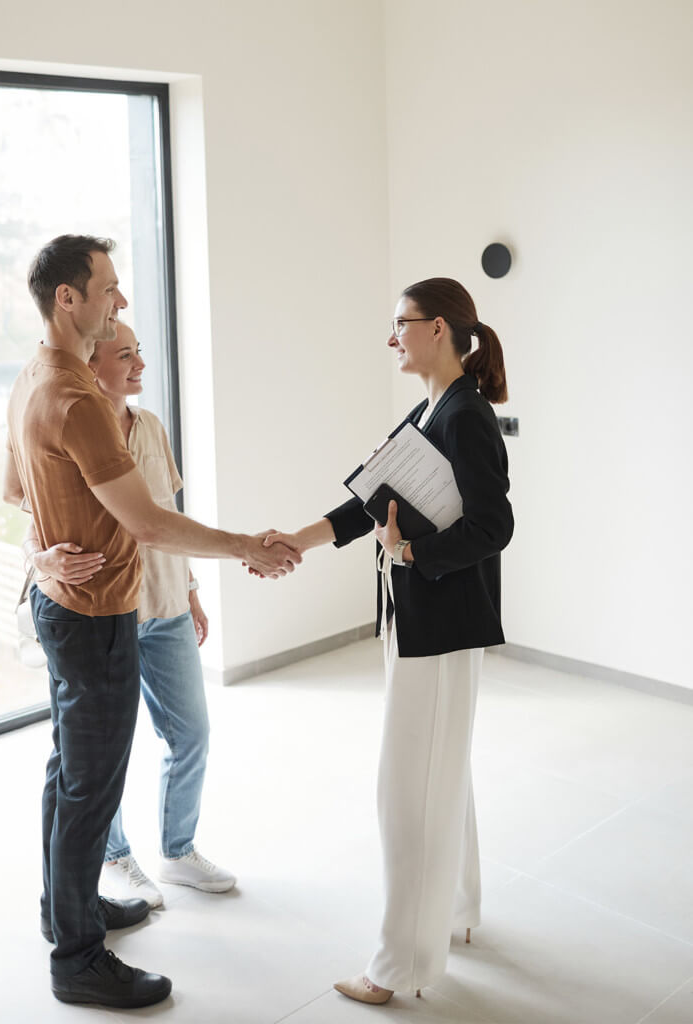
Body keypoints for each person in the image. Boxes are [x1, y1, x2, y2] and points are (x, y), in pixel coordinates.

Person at [4, 234, 299, 1009]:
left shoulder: (36, 375)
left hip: (69, 610)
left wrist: (41, 558)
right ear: (67, 298)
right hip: (94, 617)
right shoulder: (75, 399)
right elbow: (151, 524)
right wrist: (248, 549)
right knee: (89, 791)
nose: (121, 301)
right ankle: (77, 960)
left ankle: (65, 910)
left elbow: (35, 497)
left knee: (67, 775)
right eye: (107, 288)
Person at [261, 278, 513, 1004]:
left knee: (407, 793)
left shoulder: (465, 416)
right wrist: (297, 540)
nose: (391, 338)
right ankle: (457, 910)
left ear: (437, 328)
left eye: (399, 324)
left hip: (439, 625)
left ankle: (397, 967)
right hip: (421, 622)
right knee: (442, 774)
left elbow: (493, 526)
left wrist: (410, 558)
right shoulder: (433, 405)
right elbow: (371, 501)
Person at [27, 322, 234, 909]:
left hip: (164, 606)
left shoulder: (150, 427)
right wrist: (42, 561)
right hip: (102, 613)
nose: (140, 363)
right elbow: (34, 524)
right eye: (126, 355)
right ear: (93, 365)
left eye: (141, 351)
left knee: (190, 731)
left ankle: (178, 850)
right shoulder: (68, 422)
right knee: (103, 751)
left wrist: (191, 587)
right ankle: (116, 857)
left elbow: (166, 513)